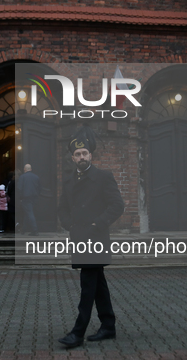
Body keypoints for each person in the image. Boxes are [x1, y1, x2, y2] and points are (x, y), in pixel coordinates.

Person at [57, 126, 125, 349]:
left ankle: (77, 333)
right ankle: (108, 325)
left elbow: (117, 205)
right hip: (79, 237)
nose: (81, 157)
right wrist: (69, 225)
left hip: (95, 238)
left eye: (84, 153)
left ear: (91, 155)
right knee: (98, 285)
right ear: (73, 157)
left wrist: (98, 223)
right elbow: (62, 209)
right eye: (77, 154)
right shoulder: (68, 181)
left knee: (88, 286)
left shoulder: (103, 177)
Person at [16, 164, 41, 235]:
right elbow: (39, 188)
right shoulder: (36, 177)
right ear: (31, 169)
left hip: (26, 198)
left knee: (29, 213)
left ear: (24, 169)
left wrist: (20, 198)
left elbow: (19, 188)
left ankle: (35, 230)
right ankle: (23, 230)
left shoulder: (22, 177)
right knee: (28, 213)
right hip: (34, 198)